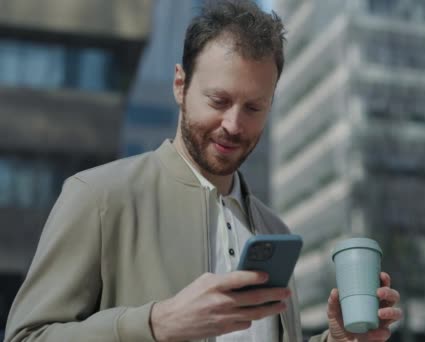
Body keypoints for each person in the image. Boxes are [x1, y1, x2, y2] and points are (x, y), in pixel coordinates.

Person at [5, 1, 402, 341]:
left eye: (253, 108)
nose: (233, 124)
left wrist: (338, 339)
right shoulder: (98, 197)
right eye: (219, 100)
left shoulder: (273, 231)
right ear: (180, 85)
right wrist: (156, 324)